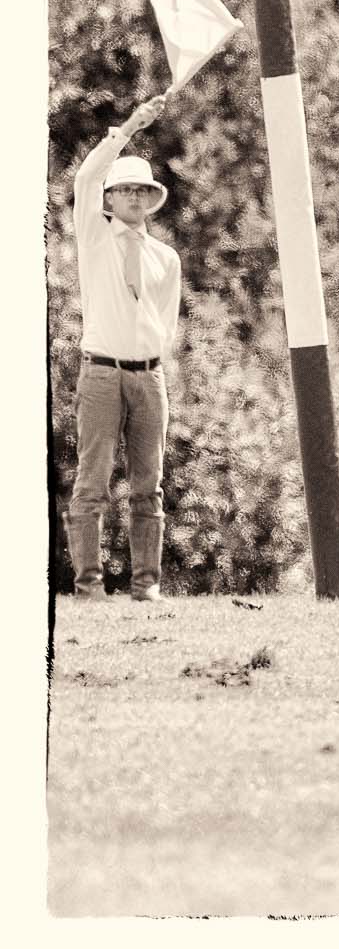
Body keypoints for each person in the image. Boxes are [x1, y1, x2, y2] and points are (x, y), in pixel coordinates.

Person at [65, 93, 179, 601]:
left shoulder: (164, 258)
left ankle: (146, 586)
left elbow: (165, 323)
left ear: (151, 199)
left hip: (148, 376)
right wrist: (130, 126)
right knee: (92, 484)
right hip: (102, 373)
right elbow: (86, 178)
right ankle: (88, 587)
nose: (133, 197)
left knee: (147, 486)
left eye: (141, 190)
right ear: (109, 200)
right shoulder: (95, 237)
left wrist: (154, 366)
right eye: (124, 190)